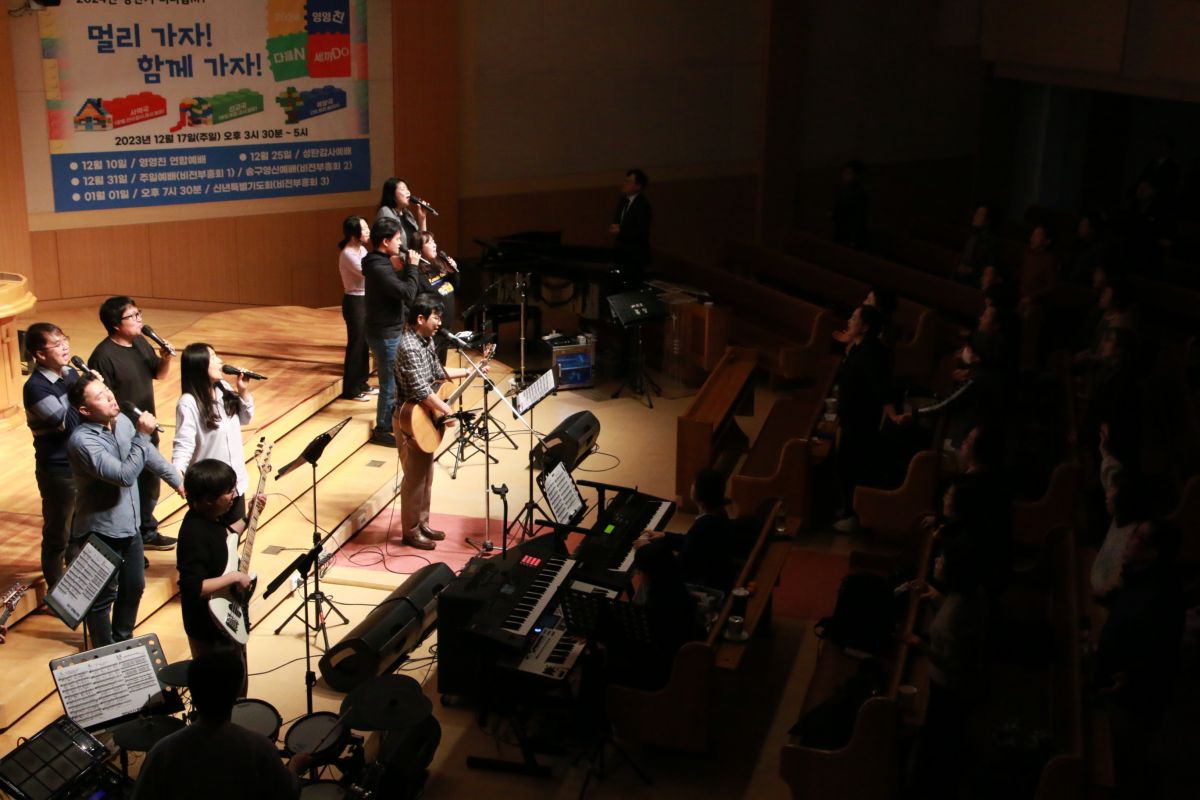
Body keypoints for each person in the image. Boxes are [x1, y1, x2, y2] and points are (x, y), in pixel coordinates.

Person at [67, 375, 183, 646]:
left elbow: (148, 456)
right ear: (85, 410)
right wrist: (142, 435)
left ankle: (122, 642)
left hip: (130, 526)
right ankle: (105, 651)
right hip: (100, 531)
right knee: (102, 598)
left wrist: (177, 480)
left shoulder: (123, 423)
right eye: (100, 396)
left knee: (134, 588)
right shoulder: (82, 441)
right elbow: (124, 475)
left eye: (107, 390)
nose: (110, 397)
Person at [132, 652, 309, 800]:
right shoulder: (259, 747)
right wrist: (294, 766)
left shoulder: (162, 752)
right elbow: (288, 794)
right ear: (237, 692)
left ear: (192, 691)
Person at [1096, 517, 1185, 799]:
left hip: (1132, 703)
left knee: (1122, 766)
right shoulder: (1141, 578)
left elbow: (1161, 654)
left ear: (1153, 552)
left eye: (1138, 537)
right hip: (1120, 691)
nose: (1129, 540)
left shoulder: (1161, 597)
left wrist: (1131, 677)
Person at [392, 293, 484, 550]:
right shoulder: (408, 347)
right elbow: (421, 389)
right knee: (414, 478)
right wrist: (446, 410)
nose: (440, 323)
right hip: (410, 419)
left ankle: (422, 523)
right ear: (421, 319)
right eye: (436, 318)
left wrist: (470, 370)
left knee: (426, 475)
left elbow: (437, 373)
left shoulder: (426, 340)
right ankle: (410, 532)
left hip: (425, 416)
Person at [89, 296, 177, 551]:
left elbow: (158, 374)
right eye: (133, 316)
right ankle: (132, 541)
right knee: (131, 488)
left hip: (147, 426)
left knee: (150, 484)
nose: (140, 320)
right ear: (116, 324)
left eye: (139, 314)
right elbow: (102, 400)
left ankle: (147, 531)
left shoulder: (140, 343)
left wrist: (165, 358)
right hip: (123, 433)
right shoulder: (103, 356)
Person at [176, 460, 265, 688]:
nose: (234, 496)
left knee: (239, 682)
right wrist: (234, 577)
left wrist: (249, 517)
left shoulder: (208, 519)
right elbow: (192, 587)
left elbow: (226, 537)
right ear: (208, 499)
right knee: (223, 691)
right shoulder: (193, 534)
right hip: (209, 630)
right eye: (229, 492)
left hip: (225, 618)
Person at [23, 323, 83, 588]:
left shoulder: (70, 373)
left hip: (81, 465)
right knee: (58, 534)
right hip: (59, 471)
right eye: (57, 344)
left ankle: (78, 588)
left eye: (64, 340)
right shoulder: (35, 387)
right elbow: (66, 422)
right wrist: (84, 395)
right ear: (40, 354)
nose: (65, 347)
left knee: (79, 530)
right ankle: (57, 591)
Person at [172, 343, 254, 524]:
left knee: (234, 538)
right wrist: (177, 475)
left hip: (235, 485)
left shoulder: (224, 387)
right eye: (213, 357)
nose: (220, 361)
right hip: (211, 491)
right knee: (213, 539)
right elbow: (183, 444)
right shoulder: (188, 403)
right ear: (200, 365)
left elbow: (245, 418)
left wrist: (243, 391)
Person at [363, 216, 420, 447]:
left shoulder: (381, 263)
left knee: (393, 381)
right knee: (389, 384)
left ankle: (393, 422)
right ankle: (382, 429)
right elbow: (407, 293)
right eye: (397, 239)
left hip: (388, 329)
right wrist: (412, 268)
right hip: (385, 333)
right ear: (385, 241)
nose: (400, 243)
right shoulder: (378, 267)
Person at [832, 304, 890, 532]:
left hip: (861, 421)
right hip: (851, 417)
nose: (849, 320)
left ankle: (855, 515)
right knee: (845, 464)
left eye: (854, 318)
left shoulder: (870, 353)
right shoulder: (859, 347)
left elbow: (877, 388)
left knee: (854, 467)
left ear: (865, 327)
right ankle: (848, 507)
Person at [637, 467, 741, 593]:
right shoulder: (719, 513)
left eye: (693, 484)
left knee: (648, 577)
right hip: (715, 574)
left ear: (698, 494)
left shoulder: (703, 526)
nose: (691, 486)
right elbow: (692, 543)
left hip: (704, 585)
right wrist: (665, 535)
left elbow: (680, 567)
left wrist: (647, 550)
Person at [338, 215, 374, 402]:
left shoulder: (362, 249)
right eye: (364, 228)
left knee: (365, 343)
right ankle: (350, 389)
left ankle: (362, 382)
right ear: (354, 233)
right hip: (354, 301)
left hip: (365, 299)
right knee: (356, 344)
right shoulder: (348, 253)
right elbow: (366, 272)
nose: (368, 231)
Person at [411, 230, 461, 364]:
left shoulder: (438, 264)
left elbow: (454, 286)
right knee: (432, 367)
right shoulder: (418, 272)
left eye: (434, 242)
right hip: (431, 330)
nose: (434, 245)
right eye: (429, 243)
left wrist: (453, 272)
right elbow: (425, 297)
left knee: (441, 366)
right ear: (419, 248)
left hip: (445, 326)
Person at [609, 168, 653, 274]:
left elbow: (641, 232)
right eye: (625, 181)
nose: (624, 184)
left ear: (638, 186)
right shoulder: (623, 200)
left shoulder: (643, 205)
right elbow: (618, 220)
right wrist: (614, 226)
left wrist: (620, 230)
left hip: (635, 255)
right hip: (621, 252)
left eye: (628, 182)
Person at [375, 176, 426, 251]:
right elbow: (389, 244)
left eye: (407, 189)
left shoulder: (408, 214)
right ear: (392, 194)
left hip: (413, 257)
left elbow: (421, 242)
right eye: (403, 189)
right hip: (397, 257)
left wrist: (422, 219)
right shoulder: (385, 211)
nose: (408, 192)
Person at [832, 160, 868, 248]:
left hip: (850, 236)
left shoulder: (859, 193)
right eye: (844, 172)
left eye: (849, 173)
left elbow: (859, 218)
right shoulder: (841, 189)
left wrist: (854, 239)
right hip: (839, 233)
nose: (845, 175)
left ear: (856, 176)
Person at [956, 204, 996, 285]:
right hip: (963, 277)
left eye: (980, 215)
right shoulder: (971, 235)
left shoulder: (988, 241)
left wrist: (970, 270)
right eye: (976, 213)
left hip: (974, 281)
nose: (975, 216)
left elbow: (989, 267)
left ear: (986, 221)